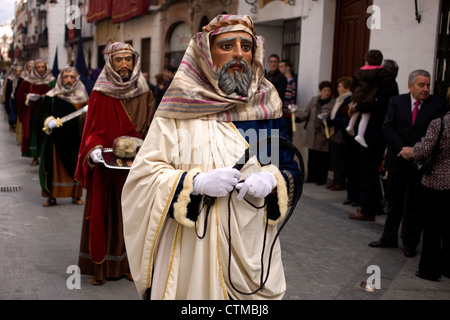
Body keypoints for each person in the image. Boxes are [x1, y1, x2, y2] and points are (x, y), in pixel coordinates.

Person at [121, 14, 303, 300]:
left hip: (253, 242)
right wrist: (194, 183)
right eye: (227, 45)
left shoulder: (266, 105)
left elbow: (288, 165)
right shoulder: (179, 105)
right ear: (207, 53)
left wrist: (271, 179)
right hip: (193, 247)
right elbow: (143, 177)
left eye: (246, 46)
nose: (239, 54)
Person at [74, 42, 156, 285]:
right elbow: (91, 129)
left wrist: (148, 148)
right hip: (106, 167)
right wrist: (94, 149)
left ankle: (131, 265)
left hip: (136, 167)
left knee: (134, 217)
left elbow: (153, 125)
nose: (124, 64)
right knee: (106, 214)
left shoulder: (145, 91)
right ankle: (101, 268)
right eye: (118, 60)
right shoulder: (100, 92)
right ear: (110, 63)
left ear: (134, 61)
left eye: (128, 59)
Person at [368, 69, 446, 257]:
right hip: (398, 160)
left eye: (428, 85)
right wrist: (403, 149)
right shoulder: (397, 101)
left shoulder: (437, 105)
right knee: (394, 201)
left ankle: (410, 243)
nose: (426, 89)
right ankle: (388, 237)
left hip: (421, 163)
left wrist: (415, 151)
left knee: (414, 205)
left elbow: (436, 135)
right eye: (421, 85)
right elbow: (388, 127)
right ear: (410, 86)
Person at [400, 103, 450, 281]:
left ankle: (429, 269)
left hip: (437, 182)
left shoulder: (440, 123)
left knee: (433, 227)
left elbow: (424, 150)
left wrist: (410, 150)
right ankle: (447, 267)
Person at [347, 59, 399, 222]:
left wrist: (357, 107)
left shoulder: (388, 86)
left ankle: (368, 210)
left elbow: (377, 105)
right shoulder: (385, 84)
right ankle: (371, 205)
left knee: (368, 171)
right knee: (369, 171)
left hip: (374, 134)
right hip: (372, 133)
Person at [37, 67, 88, 207]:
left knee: (74, 168)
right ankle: (51, 196)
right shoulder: (51, 96)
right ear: (61, 78)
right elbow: (40, 114)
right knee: (54, 169)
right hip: (55, 139)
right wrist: (48, 120)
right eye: (66, 77)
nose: (69, 80)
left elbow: (90, 120)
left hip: (75, 139)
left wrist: (87, 113)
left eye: (72, 77)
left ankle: (75, 195)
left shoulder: (83, 95)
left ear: (76, 78)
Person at [346, 50, 392, 148]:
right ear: (380, 61)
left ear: (366, 60)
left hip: (358, 95)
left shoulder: (360, 71)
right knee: (365, 117)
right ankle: (360, 135)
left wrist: (354, 97)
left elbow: (353, 85)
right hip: (369, 98)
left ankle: (350, 125)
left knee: (356, 110)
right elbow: (386, 81)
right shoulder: (381, 73)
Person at [15, 59, 55, 166]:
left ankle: (45, 157)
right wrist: (27, 97)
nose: (41, 69)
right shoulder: (28, 81)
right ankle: (35, 157)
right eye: (38, 67)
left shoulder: (51, 80)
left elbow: (57, 93)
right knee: (34, 135)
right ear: (35, 69)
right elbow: (19, 94)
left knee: (46, 134)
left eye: (43, 67)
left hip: (47, 113)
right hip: (32, 113)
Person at [296, 81, 335, 185]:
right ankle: (311, 176)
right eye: (324, 90)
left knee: (322, 156)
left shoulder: (332, 103)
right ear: (320, 91)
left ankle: (321, 178)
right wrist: (299, 118)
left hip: (323, 132)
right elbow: (307, 112)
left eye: (328, 90)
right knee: (312, 155)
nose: (326, 93)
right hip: (312, 131)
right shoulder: (315, 100)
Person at [326, 76, 353, 192]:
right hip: (334, 132)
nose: (338, 88)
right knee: (335, 158)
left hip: (341, 133)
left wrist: (332, 121)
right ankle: (336, 180)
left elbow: (345, 117)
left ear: (347, 88)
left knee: (340, 159)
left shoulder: (348, 100)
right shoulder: (340, 99)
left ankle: (340, 181)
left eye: (340, 86)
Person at [279, 59, 297, 141]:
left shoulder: (290, 81)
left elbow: (288, 98)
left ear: (288, 68)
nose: (280, 68)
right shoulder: (285, 80)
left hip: (286, 114)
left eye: (282, 66)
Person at [2, 65, 23, 132]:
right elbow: (6, 89)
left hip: (18, 99)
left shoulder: (22, 79)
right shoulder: (10, 78)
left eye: (19, 71)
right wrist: (4, 97)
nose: (17, 73)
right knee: (11, 111)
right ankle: (12, 125)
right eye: (16, 71)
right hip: (11, 99)